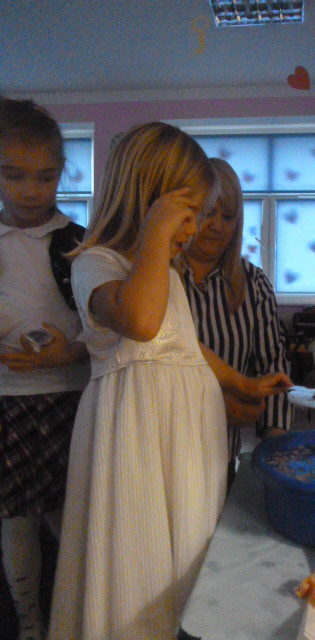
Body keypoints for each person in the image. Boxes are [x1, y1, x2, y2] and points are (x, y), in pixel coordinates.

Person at [47, 123, 291, 640]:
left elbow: (187, 347)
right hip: (137, 439)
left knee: (188, 552)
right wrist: (157, 237)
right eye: (189, 213)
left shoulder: (167, 275)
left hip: (188, 443)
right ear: (150, 201)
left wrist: (242, 385)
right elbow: (140, 323)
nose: (195, 228)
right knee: (140, 552)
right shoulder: (95, 263)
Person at [0, 98, 89, 640]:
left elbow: (107, 330)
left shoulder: (79, 244)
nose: (30, 190)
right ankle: (29, 621)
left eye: (45, 176)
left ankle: (75, 615)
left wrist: (69, 353)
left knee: (70, 519)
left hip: (68, 398)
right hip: (6, 402)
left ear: (61, 173)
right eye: (13, 176)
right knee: (15, 521)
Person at [177, 157, 293, 486]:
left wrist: (275, 447)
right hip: (161, 447)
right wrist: (213, 406)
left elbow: (273, 366)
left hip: (220, 454)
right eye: (207, 213)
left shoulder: (253, 283)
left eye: (227, 216)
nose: (217, 226)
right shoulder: (159, 278)